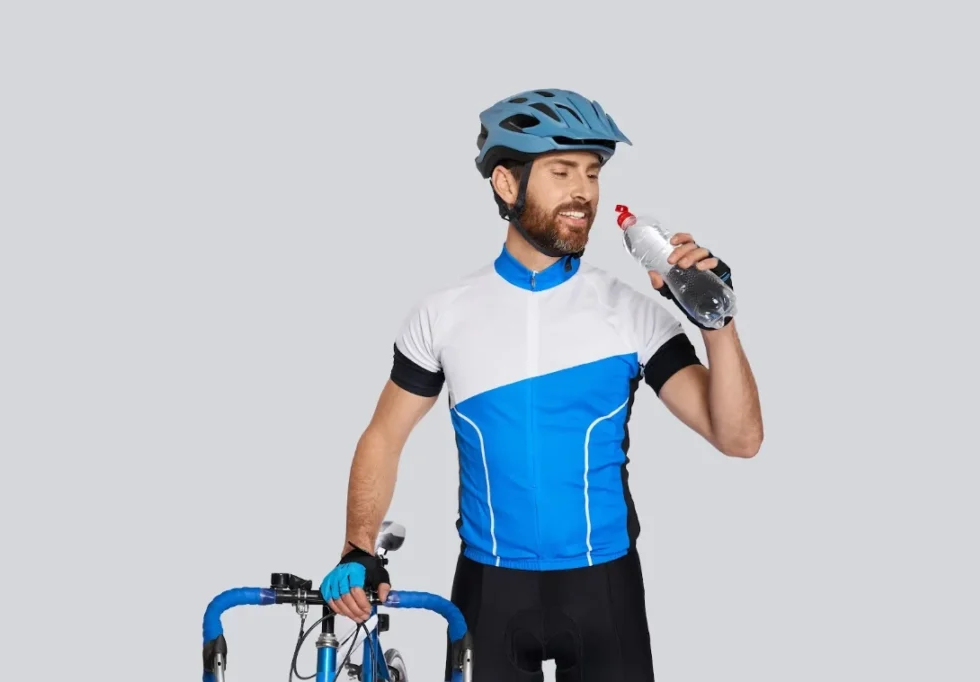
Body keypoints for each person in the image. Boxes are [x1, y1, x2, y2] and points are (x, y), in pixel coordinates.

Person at [319, 88, 764, 681]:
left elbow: (737, 437)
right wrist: (357, 547)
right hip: (489, 590)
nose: (584, 192)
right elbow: (384, 436)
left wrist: (719, 322)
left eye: (592, 173)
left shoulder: (631, 312)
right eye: (561, 172)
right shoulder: (444, 314)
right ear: (506, 184)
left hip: (604, 591)